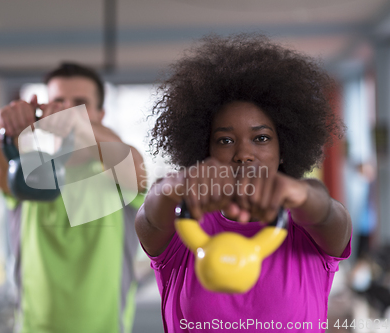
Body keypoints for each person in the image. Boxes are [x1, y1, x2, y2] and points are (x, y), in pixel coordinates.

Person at [135, 34, 352, 332]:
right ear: (205, 150)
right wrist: (178, 186)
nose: (243, 154)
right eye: (225, 140)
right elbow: (150, 213)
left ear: (283, 149)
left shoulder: (308, 231)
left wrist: (296, 191)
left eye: (261, 138)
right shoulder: (185, 231)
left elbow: (326, 210)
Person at [0, 62, 146, 333]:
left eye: (80, 104)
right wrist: (4, 126)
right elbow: (0, 169)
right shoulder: (31, 173)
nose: (66, 110)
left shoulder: (119, 176)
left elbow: (132, 161)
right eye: (58, 101)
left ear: (100, 113)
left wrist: (75, 122)